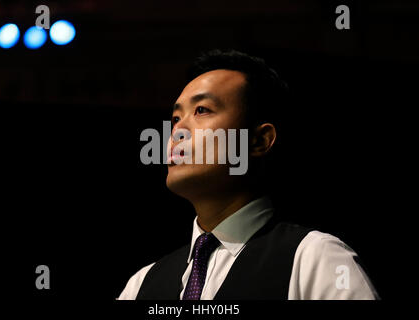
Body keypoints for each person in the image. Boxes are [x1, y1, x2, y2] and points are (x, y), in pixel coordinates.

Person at [118, 49, 379, 300]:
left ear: (259, 140)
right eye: (175, 118)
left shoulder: (315, 259)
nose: (178, 131)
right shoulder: (141, 285)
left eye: (202, 110)